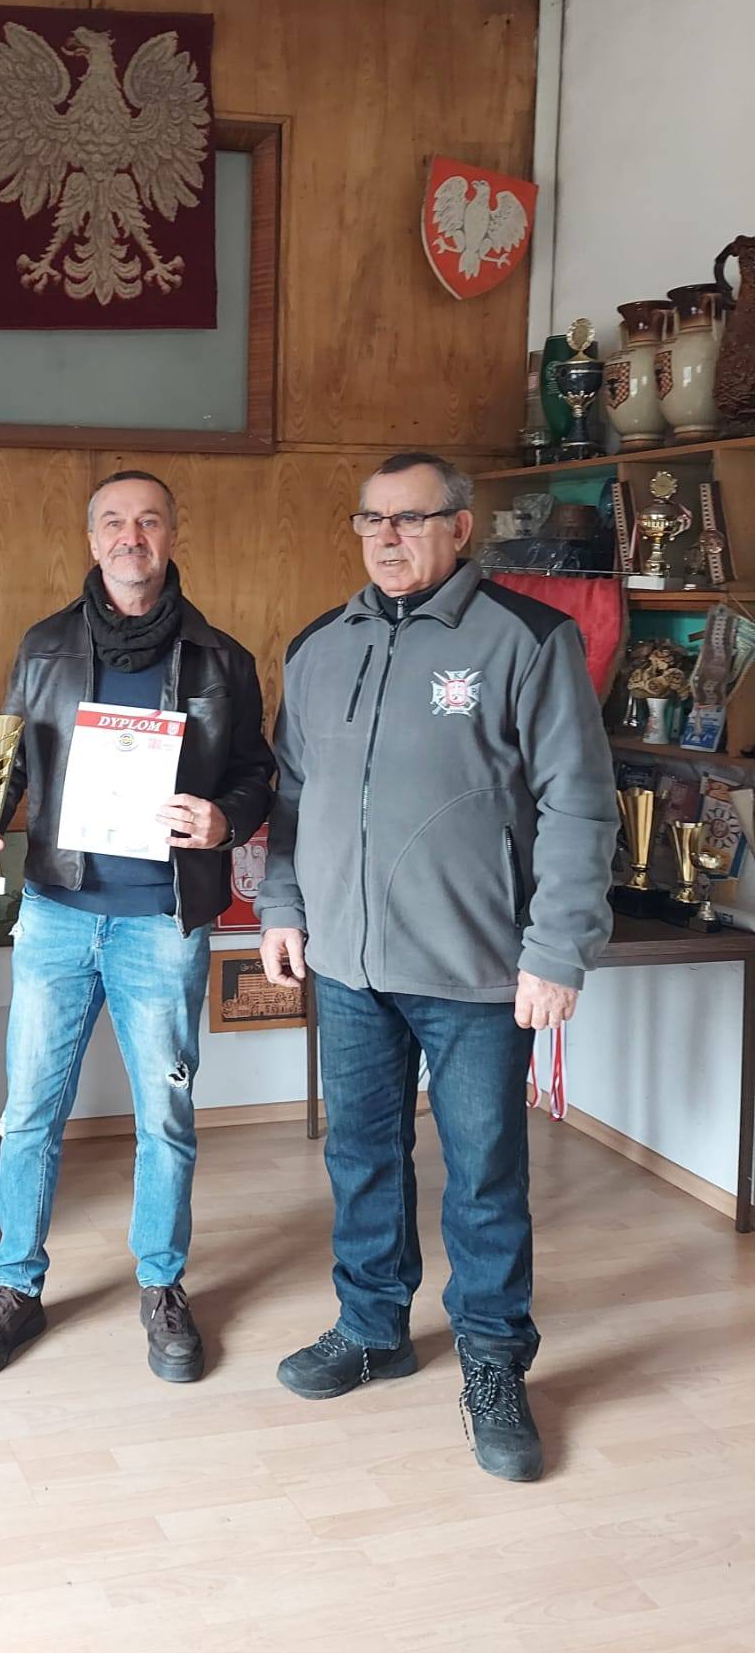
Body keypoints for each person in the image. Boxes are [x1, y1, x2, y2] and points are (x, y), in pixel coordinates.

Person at [256, 452, 617, 1483]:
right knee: (361, 1156)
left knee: (485, 1176)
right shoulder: (320, 645)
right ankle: (372, 1326)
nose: (387, 537)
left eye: (410, 519)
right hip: (349, 965)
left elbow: (578, 802)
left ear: (460, 527)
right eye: (371, 520)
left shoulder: (527, 640)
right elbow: (289, 798)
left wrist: (556, 949)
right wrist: (282, 906)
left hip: (477, 970)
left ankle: (494, 1361)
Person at [0, 471, 274, 1385]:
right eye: (115, 523)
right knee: (28, 1113)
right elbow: (5, 765)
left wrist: (225, 818)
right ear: (92, 541)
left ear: (170, 535)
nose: (132, 537)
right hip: (56, 913)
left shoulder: (222, 660)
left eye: (149, 521)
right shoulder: (44, 644)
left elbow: (257, 773)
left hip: (163, 923)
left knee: (165, 1117)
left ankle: (162, 1284)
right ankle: (16, 1284)